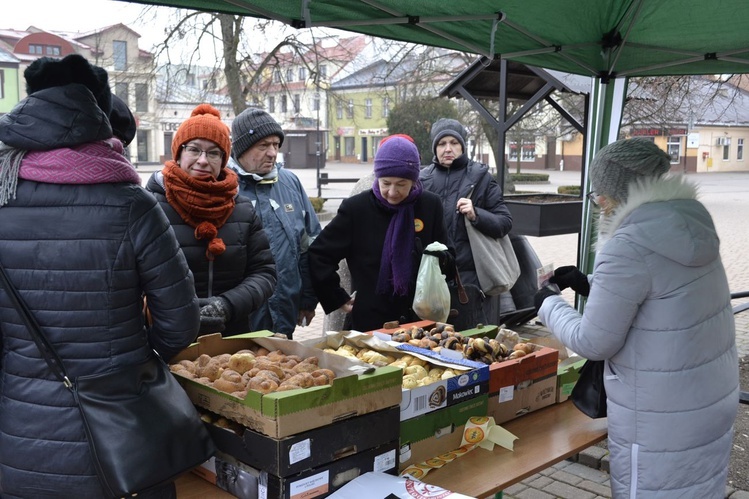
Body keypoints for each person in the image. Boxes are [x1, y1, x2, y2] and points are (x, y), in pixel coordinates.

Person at [0, 54, 199, 498]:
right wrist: (136, 361)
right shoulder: (132, 204)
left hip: (21, 438)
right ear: (98, 112)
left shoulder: (2, 194)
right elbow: (181, 323)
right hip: (123, 431)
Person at [534, 138, 739, 498]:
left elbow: (594, 341)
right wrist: (588, 283)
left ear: (617, 192)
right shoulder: (691, 220)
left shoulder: (627, 243)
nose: (598, 201)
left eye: (600, 192)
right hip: (707, 399)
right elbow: (661, 292)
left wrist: (549, 303)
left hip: (660, 415)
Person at [145, 104, 276, 336]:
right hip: (164, 339)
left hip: (229, 339)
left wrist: (227, 305)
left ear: (224, 159)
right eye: (194, 149)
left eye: (214, 152)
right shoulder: (148, 208)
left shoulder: (242, 210)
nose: (203, 160)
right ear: (179, 153)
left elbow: (264, 273)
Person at [309, 135, 451, 332]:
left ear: (413, 180)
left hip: (419, 323)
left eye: (401, 184)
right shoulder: (356, 209)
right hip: (370, 325)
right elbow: (319, 254)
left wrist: (437, 259)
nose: (392, 192)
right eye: (386, 183)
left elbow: (448, 256)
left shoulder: (430, 205)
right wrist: (336, 297)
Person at [228, 108, 321, 338]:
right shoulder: (224, 186)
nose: (272, 153)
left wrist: (308, 298)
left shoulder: (290, 183)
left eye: (276, 145)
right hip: (239, 320)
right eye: (263, 146)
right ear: (241, 148)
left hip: (284, 315)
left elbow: (310, 244)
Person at [420, 118, 513, 330]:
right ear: (435, 148)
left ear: (463, 146)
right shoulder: (422, 180)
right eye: (442, 144)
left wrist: (476, 214)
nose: (448, 149)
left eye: (454, 143)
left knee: (473, 342)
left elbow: (504, 222)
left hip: (470, 279)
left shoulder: (481, 178)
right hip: (431, 278)